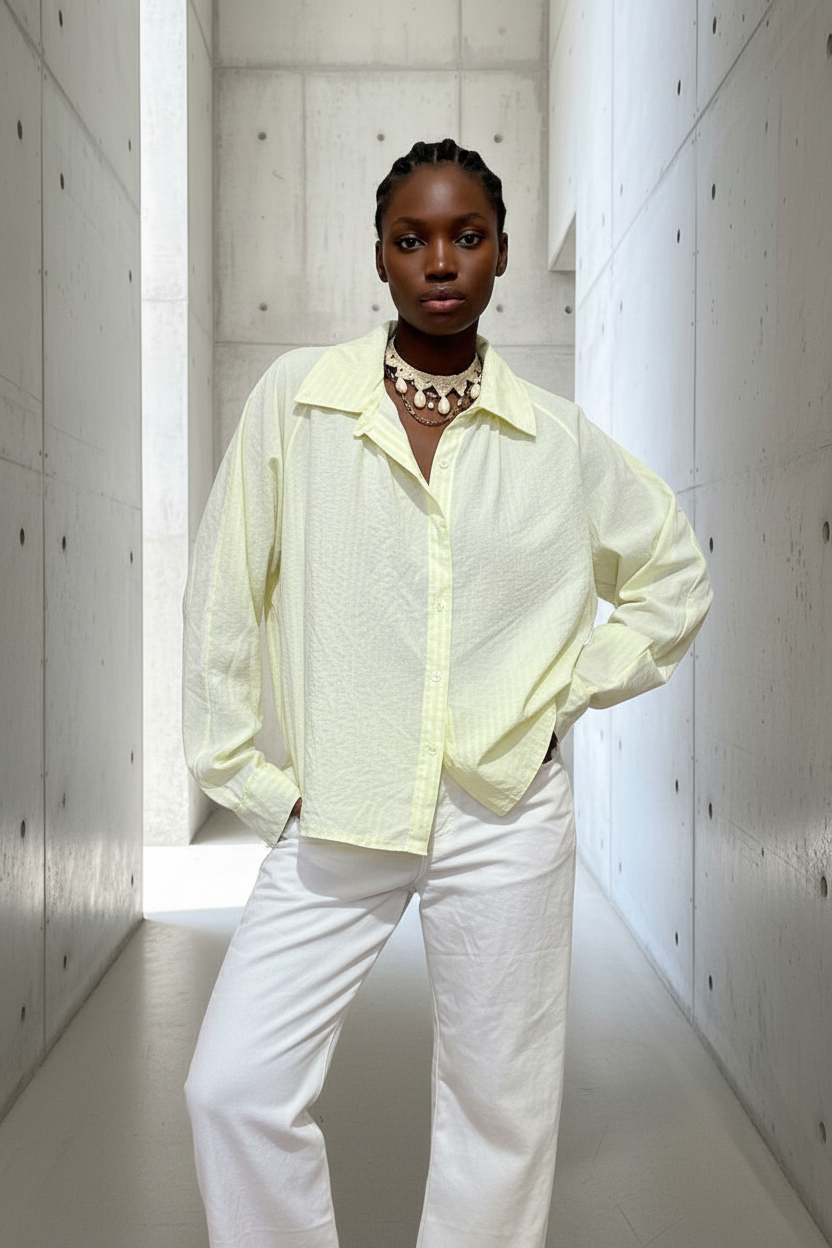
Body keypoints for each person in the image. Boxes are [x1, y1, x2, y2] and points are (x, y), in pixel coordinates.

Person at [182, 138, 712, 1248]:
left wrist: (561, 693)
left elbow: (672, 576)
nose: (439, 262)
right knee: (231, 1086)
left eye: (466, 237)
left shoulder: (555, 439)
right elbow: (225, 592)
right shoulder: (299, 403)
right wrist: (249, 779)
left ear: (502, 253)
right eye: (411, 238)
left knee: (498, 1118)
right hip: (340, 805)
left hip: (506, 812)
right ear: (378, 254)